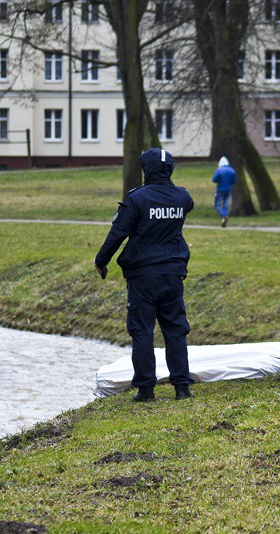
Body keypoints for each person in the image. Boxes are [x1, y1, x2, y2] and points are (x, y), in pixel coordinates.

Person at [94, 148, 196, 401]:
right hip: (173, 274)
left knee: (141, 331)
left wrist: (101, 260)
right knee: (175, 330)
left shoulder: (136, 199)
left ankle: (146, 389)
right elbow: (186, 207)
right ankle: (182, 387)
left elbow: (118, 233)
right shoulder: (182, 197)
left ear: (145, 169)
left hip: (142, 277)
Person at [212, 156, 237, 227]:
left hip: (220, 190)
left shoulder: (219, 170)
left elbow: (214, 179)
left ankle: (223, 216)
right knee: (225, 205)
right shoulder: (232, 170)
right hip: (229, 190)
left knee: (217, 205)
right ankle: (225, 218)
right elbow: (234, 181)